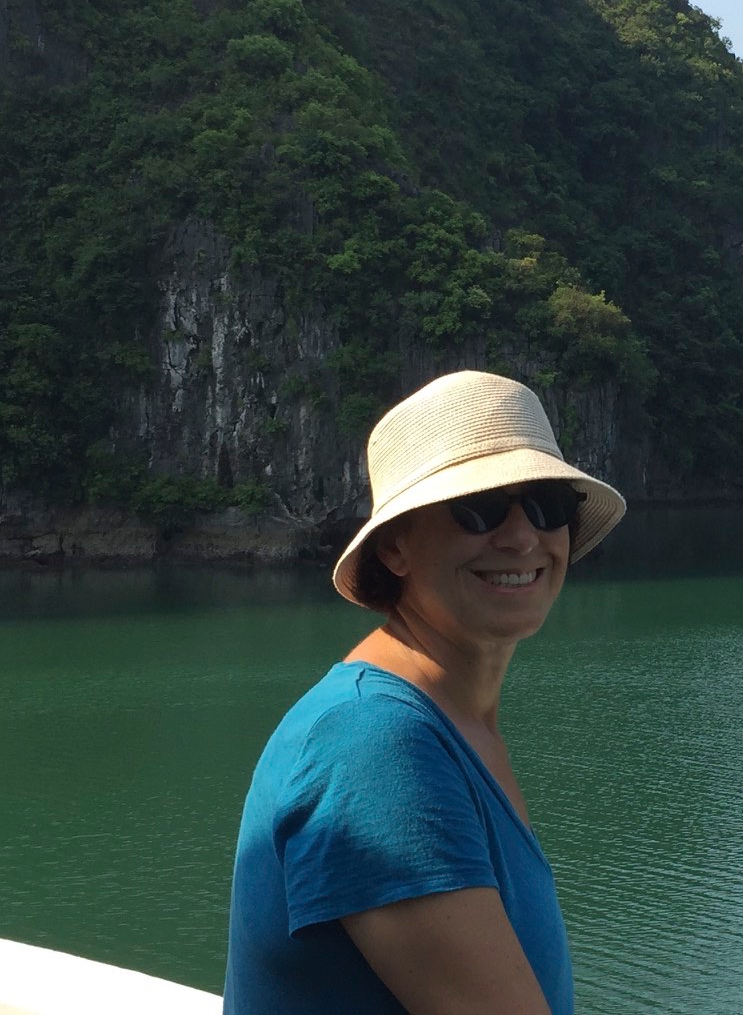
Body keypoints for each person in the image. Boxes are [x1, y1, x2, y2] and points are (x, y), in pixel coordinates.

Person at [223, 369, 626, 1014]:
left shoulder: (457, 724)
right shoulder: (371, 745)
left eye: (547, 506)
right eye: (480, 508)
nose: (523, 537)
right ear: (395, 547)